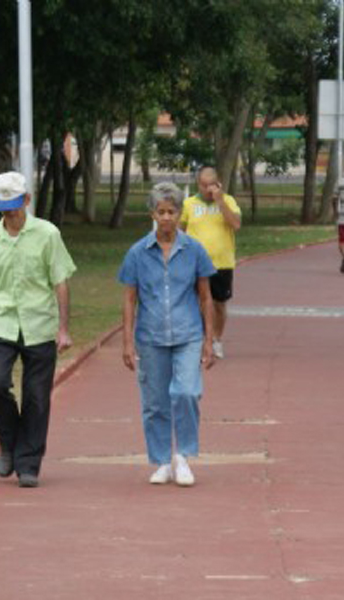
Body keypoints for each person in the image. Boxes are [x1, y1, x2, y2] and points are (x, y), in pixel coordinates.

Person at [0, 171, 76, 488]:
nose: (10, 215)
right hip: (1, 321)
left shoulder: (48, 234)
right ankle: (9, 444)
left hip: (40, 322)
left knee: (37, 397)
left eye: (15, 207)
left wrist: (64, 328)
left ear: (27, 200)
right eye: (4, 209)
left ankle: (28, 464)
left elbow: (61, 281)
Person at [119, 182, 217, 487]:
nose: (166, 218)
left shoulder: (194, 250)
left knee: (187, 392)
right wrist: (126, 340)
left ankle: (183, 456)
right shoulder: (137, 252)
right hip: (150, 336)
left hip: (188, 333)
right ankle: (161, 460)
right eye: (160, 212)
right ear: (152, 214)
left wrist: (208, 339)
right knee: (155, 402)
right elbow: (129, 298)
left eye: (171, 211)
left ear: (179, 214)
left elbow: (205, 297)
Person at [180, 166, 241, 359]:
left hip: (222, 263)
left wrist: (220, 200)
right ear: (198, 184)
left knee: (219, 304)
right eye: (204, 185)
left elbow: (236, 224)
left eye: (211, 185)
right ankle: (200, 340)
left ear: (218, 184)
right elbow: (179, 231)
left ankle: (216, 338)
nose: (207, 189)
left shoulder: (229, 201)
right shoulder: (188, 204)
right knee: (196, 303)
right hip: (194, 263)